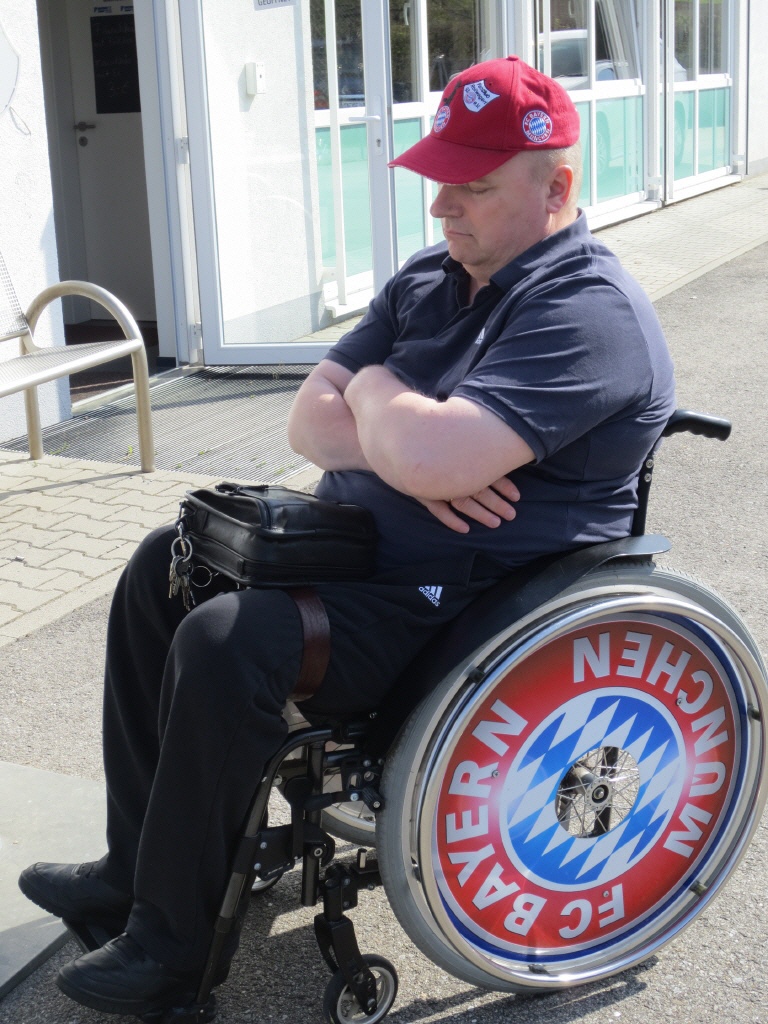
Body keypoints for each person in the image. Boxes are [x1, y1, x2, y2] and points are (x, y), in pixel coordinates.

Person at [18, 55, 675, 1017]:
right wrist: (397, 430)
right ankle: (133, 872)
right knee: (167, 565)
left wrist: (369, 395)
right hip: (363, 556)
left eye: (476, 187)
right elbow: (307, 425)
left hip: (468, 609)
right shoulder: (431, 280)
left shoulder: (587, 313)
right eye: (440, 180)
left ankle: (174, 956)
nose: (445, 206)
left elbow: (421, 455)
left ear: (557, 188)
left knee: (228, 640)